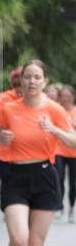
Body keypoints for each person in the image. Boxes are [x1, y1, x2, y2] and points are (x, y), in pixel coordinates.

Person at [0, 59, 74, 246]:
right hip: (15, 175)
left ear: (45, 81)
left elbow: (73, 141)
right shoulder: (9, 109)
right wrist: (1, 137)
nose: (32, 81)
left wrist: (54, 130)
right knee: (19, 239)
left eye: (37, 77)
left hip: (45, 175)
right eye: (27, 77)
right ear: (21, 80)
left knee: (36, 245)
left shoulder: (54, 109)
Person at [54, 84, 76, 222]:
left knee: (73, 182)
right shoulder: (57, 110)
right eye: (63, 96)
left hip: (74, 151)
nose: (66, 98)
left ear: (73, 97)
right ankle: (60, 207)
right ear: (60, 97)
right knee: (59, 178)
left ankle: (72, 209)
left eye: (68, 96)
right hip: (59, 150)